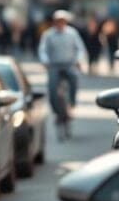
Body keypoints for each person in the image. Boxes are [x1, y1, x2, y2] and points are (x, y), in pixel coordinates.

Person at [37, 10, 87, 138]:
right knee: (52, 88)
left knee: (74, 78)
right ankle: (57, 112)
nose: (60, 24)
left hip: (69, 64)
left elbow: (80, 48)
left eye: (62, 21)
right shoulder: (48, 35)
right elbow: (42, 50)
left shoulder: (72, 33)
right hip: (54, 65)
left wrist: (78, 60)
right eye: (58, 21)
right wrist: (45, 61)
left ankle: (71, 103)